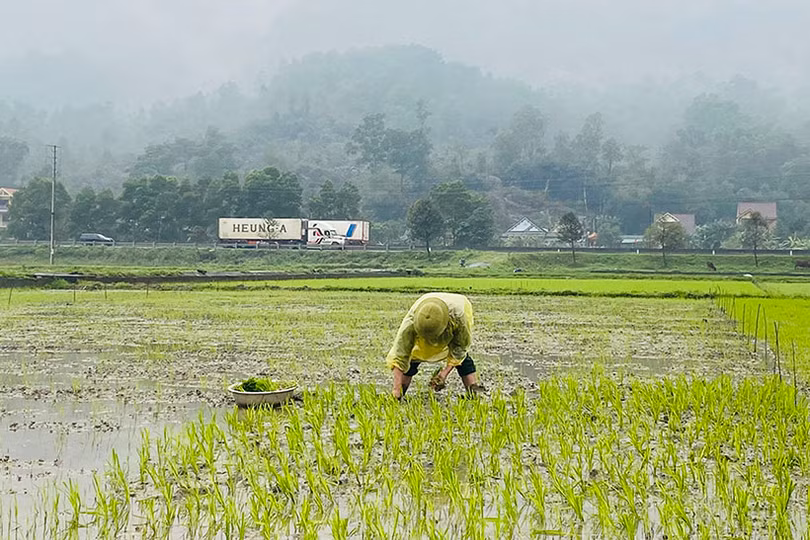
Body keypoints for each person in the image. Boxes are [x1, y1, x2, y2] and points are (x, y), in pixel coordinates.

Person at [386, 292, 485, 399]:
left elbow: (460, 349)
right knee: (412, 358)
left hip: (456, 309)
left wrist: (443, 374)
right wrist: (396, 389)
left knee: (463, 359)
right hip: (426, 305)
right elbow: (400, 355)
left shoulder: (458, 317)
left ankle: (473, 393)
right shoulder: (411, 322)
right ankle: (399, 394)